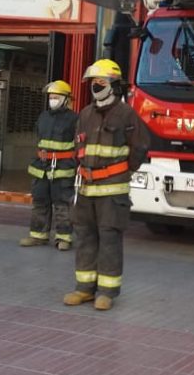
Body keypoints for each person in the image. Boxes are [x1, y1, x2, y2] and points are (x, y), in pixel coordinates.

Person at [63, 58, 149, 311]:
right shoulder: (85, 114)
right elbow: (77, 146)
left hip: (113, 190)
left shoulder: (126, 114)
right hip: (85, 188)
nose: (95, 86)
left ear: (113, 84)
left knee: (109, 239)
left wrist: (122, 171)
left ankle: (107, 292)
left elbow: (140, 146)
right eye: (93, 82)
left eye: (100, 82)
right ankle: (84, 288)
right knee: (85, 237)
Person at [21, 80, 79, 250]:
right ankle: (38, 235)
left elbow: (79, 144)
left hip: (63, 167)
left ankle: (64, 238)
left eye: (56, 97)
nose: (52, 100)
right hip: (41, 167)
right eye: (51, 97)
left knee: (62, 204)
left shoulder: (74, 119)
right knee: (39, 201)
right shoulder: (43, 117)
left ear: (66, 99)